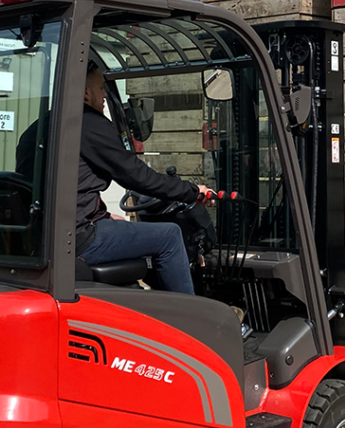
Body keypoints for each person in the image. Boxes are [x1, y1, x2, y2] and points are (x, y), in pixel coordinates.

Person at [19, 63, 213, 295]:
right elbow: (137, 176)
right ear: (85, 93)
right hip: (79, 239)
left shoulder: (37, 129)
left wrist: (102, 213)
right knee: (169, 236)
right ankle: (189, 320)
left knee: (124, 225)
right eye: (101, 88)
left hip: (48, 238)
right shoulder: (88, 123)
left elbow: (66, 188)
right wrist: (192, 191)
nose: (104, 96)